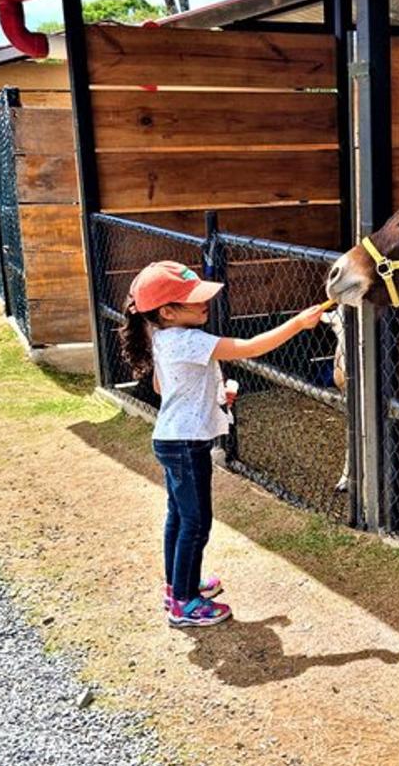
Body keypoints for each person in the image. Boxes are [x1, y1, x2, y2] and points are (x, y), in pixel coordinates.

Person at [117, 261, 325, 627]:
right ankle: (184, 603)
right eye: (193, 300)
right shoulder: (189, 339)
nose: (204, 304)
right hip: (186, 444)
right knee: (196, 523)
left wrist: (215, 396)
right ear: (167, 311)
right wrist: (297, 323)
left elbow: (162, 388)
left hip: (172, 438)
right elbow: (251, 346)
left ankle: (178, 585)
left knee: (179, 518)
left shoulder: (162, 336)